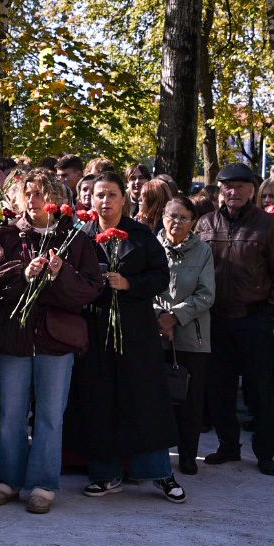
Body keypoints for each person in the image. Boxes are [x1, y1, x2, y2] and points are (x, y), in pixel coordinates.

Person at [0, 167, 104, 514]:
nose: (33, 201)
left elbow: (90, 289)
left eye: (40, 194)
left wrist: (61, 274)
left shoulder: (75, 240)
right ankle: (6, 480)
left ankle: (43, 485)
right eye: (27, 194)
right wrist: (23, 271)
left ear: (56, 199)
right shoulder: (9, 236)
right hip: (15, 338)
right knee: (12, 415)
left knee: (50, 415)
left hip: (56, 340)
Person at [78, 171, 181, 503]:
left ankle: (159, 472)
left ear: (124, 198)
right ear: (89, 200)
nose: (104, 201)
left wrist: (129, 284)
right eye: (98, 195)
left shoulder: (140, 234)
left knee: (145, 400)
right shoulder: (81, 236)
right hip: (96, 328)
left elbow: (161, 277)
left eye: (110, 195)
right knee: (100, 400)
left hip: (136, 329)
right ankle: (106, 474)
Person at [196, 163, 274, 475]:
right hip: (216, 319)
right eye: (227, 186)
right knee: (219, 389)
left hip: (254, 319)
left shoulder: (268, 226)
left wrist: (271, 315)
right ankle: (228, 447)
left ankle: (265, 453)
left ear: (253, 190)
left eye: (240, 186)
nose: (233, 191)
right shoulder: (206, 224)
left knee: (259, 392)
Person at [156, 193, 215, 475]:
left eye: (183, 217)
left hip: (193, 337)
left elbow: (206, 295)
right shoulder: (153, 246)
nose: (176, 222)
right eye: (172, 216)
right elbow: (145, 287)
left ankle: (188, 455)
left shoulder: (202, 251)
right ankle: (157, 454)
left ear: (193, 222)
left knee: (191, 401)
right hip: (155, 333)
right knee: (158, 399)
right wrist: (160, 317)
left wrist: (174, 316)